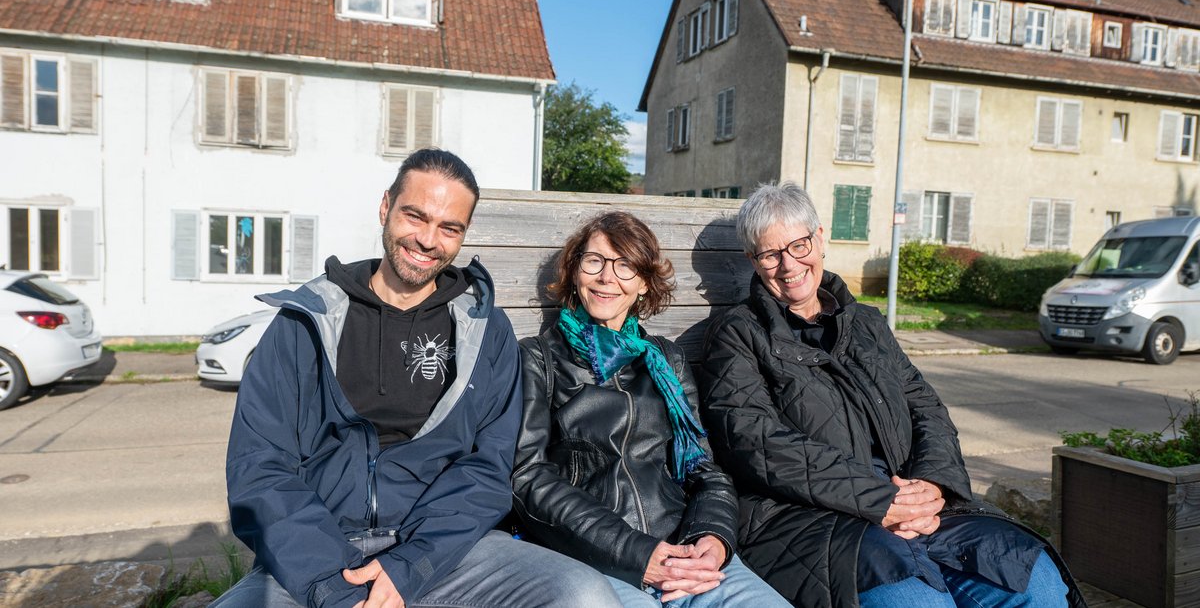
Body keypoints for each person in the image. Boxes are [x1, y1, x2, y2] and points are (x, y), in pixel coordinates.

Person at [215, 149, 621, 608]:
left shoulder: (485, 330)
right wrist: (332, 586)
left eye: (450, 228)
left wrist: (412, 565)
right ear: (386, 207)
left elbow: (488, 468)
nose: (429, 240)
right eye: (415, 216)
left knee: (584, 595)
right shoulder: (304, 323)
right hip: (313, 558)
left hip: (444, 553)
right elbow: (259, 469)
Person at [695, 182, 1084, 608]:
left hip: (917, 504)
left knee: (1036, 585)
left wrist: (935, 485)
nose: (789, 264)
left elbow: (927, 409)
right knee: (921, 603)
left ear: (820, 238)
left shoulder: (866, 324)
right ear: (754, 260)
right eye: (771, 254)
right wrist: (882, 499)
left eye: (799, 244)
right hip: (813, 522)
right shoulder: (737, 335)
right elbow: (757, 443)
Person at [510, 211, 791, 607]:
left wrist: (711, 539)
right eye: (595, 261)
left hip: (684, 549)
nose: (608, 277)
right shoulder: (538, 358)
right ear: (576, 272)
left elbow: (703, 469)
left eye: (625, 266)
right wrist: (640, 554)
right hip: (592, 557)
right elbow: (528, 477)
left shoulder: (666, 360)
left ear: (643, 283)